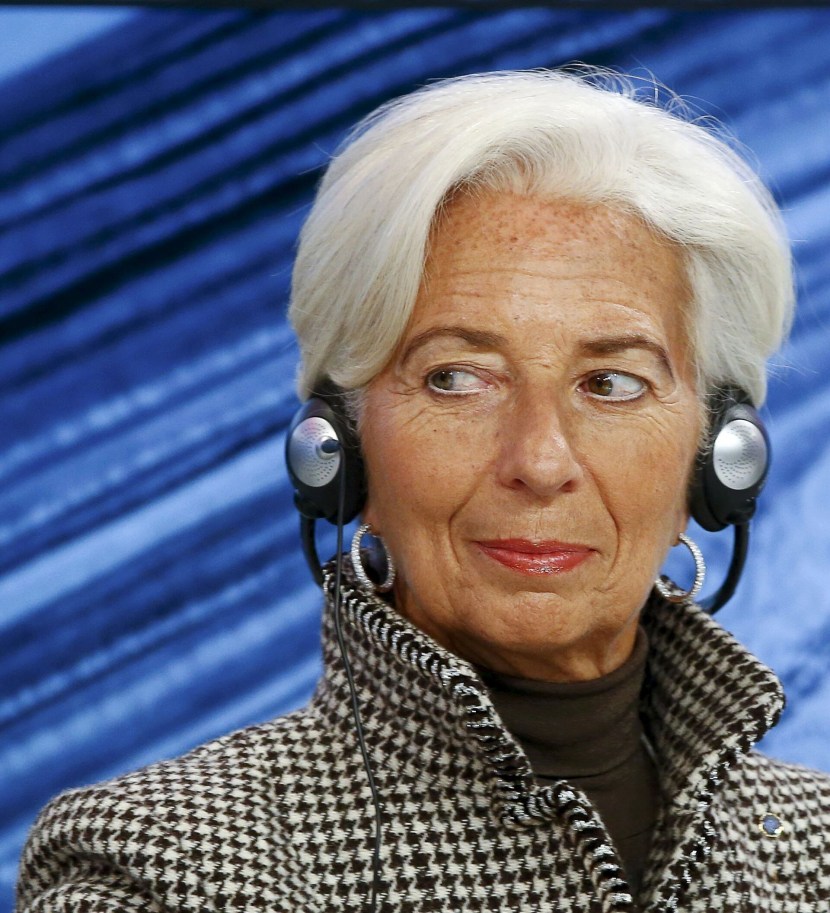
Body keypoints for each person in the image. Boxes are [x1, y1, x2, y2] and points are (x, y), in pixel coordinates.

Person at [16, 68, 830, 913]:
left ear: (719, 457)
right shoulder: (159, 867)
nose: (540, 460)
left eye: (612, 383)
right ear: (338, 451)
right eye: (456, 377)